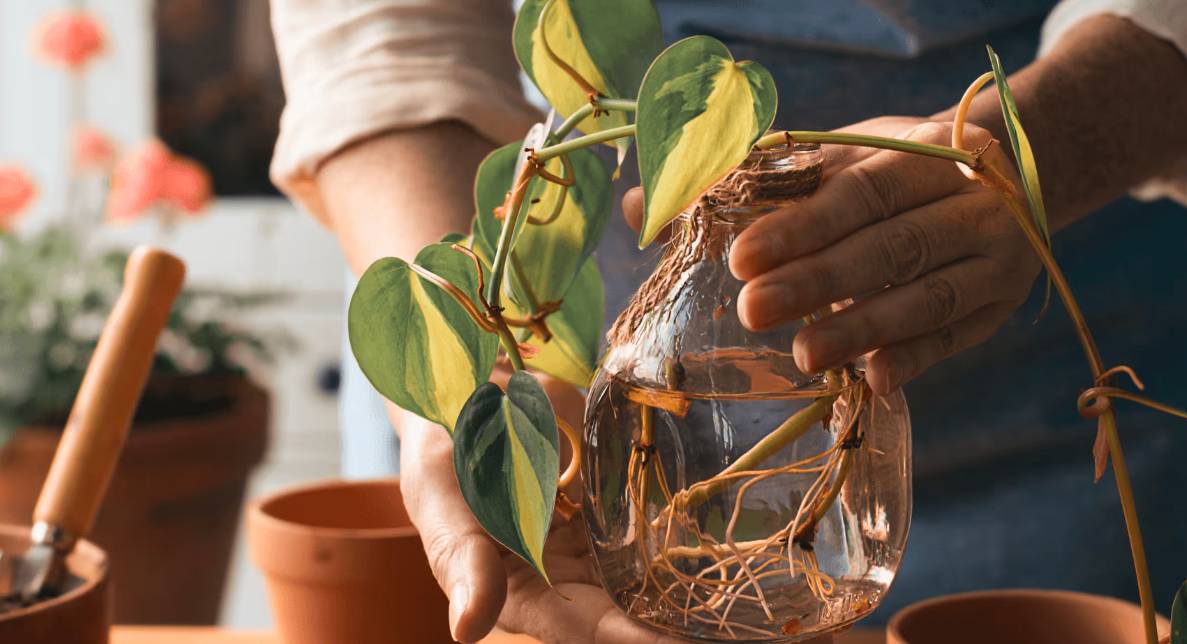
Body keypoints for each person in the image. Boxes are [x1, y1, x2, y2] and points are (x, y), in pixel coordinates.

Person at [269, 1, 1187, 642]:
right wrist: (472, 369)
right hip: (564, 404)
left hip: (1081, 317)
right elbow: (378, 36)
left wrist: (1033, 155)